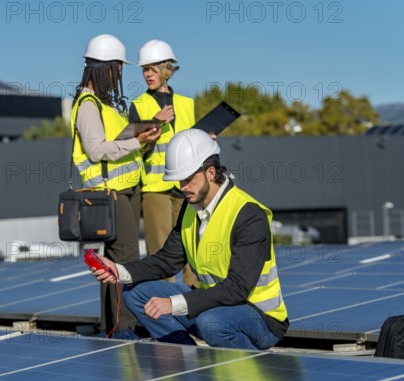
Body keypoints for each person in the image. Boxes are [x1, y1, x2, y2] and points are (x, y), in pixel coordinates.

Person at [90, 129, 289, 349]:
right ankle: (186, 359)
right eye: (179, 180)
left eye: (188, 179)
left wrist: (173, 304)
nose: (183, 187)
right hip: (215, 303)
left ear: (211, 173)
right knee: (135, 293)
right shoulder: (190, 208)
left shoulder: (249, 215)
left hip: (258, 317)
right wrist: (119, 271)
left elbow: (237, 288)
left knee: (211, 324)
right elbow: (167, 261)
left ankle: (253, 365)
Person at [71, 34, 161, 338]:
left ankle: (114, 325)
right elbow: (97, 150)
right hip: (109, 193)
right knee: (125, 259)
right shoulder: (87, 105)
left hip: (125, 189)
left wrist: (142, 141)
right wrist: (136, 140)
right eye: (116, 69)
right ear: (102, 68)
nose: (119, 75)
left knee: (116, 261)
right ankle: (124, 328)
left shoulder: (106, 104)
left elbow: (117, 144)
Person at [128, 40, 207, 286]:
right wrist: (155, 122)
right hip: (156, 189)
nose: (147, 75)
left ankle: (196, 302)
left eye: (151, 69)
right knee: (161, 252)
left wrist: (205, 138)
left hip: (185, 186)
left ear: (166, 69)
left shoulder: (186, 104)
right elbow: (134, 147)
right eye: (144, 70)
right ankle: (163, 311)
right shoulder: (138, 106)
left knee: (191, 246)